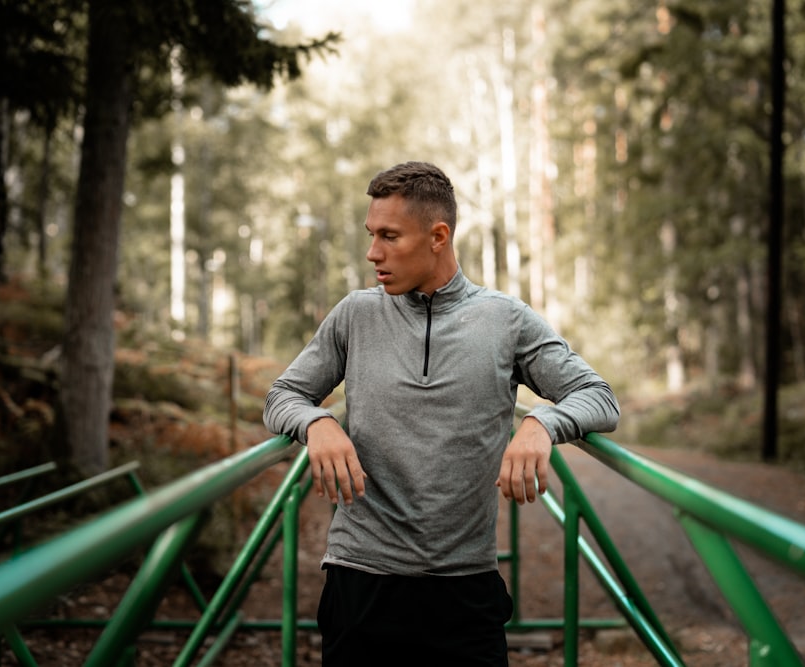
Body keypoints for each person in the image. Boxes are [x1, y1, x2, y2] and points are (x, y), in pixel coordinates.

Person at [263, 161, 620, 666]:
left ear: (438, 236)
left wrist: (541, 423)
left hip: (464, 588)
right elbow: (282, 396)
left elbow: (598, 396)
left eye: (389, 236)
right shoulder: (355, 314)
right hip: (360, 580)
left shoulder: (506, 320)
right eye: (371, 235)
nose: (373, 253)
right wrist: (317, 422)